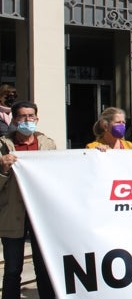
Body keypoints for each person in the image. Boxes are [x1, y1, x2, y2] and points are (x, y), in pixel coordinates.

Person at [0, 101, 56, 299]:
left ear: (37, 119)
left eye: (31, 116)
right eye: (22, 117)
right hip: (13, 214)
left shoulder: (47, 144)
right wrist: (3, 169)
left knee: (45, 267)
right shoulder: (3, 146)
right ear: (14, 120)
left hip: (40, 215)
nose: (27, 120)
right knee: (13, 269)